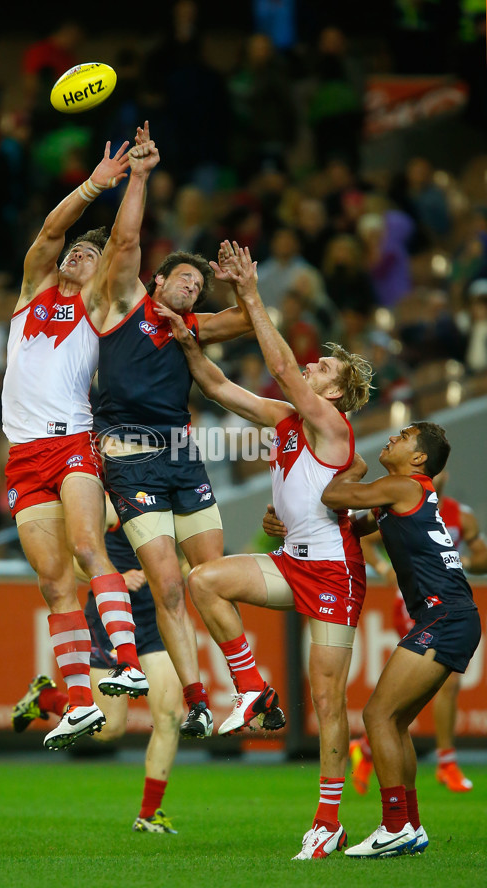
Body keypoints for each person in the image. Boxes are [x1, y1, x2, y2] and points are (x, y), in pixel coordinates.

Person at [156, 243, 373, 860]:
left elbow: (279, 372)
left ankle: (328, 820)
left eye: (323, 370)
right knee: (206, 581)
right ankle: (252, 688)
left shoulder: (331, 425)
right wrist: (188, 343)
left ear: (336, 394)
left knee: (329, 699)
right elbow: (220, 385)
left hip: (334, 571)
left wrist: (249, 293)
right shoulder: (285, 418)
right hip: (294, 560)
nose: (310, 368)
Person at [95, 137, 255, 741]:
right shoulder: (124, 306)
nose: (192, 287)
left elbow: (245, 320)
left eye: (197, 284)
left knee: (211, 578)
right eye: (184, 279)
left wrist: (241, 285)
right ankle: (196, 699)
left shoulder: (190, 330)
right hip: (130, 456)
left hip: (184, 456)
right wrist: (138, 177)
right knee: (166, 583)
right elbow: (127, 243)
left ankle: (246, 688)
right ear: (155, 281)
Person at [1, 130, 151, 752]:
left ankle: (126, 660)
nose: (75, 259)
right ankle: (81, 702)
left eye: (87, 259)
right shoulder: (34, 290)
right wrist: (93, 184)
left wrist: (134, 180)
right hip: (22, 456)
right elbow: (49, 234)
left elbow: (121, 241)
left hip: (71, 445)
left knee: (92, 551)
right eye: (74, 256)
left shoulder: (92, 305)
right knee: (54, 582)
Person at [321, 423, 482, 857]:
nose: (393, 436)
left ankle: (394, 827)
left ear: (418, 459)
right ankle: (409, 824)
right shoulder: (405, 492)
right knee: (393, 722)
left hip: (444, 616)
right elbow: (349, 527)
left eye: (405, 435)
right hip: (449, 615)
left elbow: (333, 498)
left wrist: (351, 467)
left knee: (377, 716)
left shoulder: (402, 486)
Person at [12, 497, 183, 834]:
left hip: (153, 616)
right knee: (109, 729)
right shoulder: (106, 499)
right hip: (110, 618)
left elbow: (186, 560)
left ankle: (149, 814)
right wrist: (115, 576)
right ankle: (46, 698)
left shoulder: (169, 491)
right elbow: (70, 561)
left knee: (172, 715)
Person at [351, 468, 487, 794]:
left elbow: (481, 555)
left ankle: (369, 751)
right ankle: (445, 763)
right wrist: (382, 567)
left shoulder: (459, 514)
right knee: (414, 700)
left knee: (397, 709)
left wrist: (461, 561)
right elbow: (365, 535)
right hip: (417, 603)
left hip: (447, 601)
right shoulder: (399, 501)